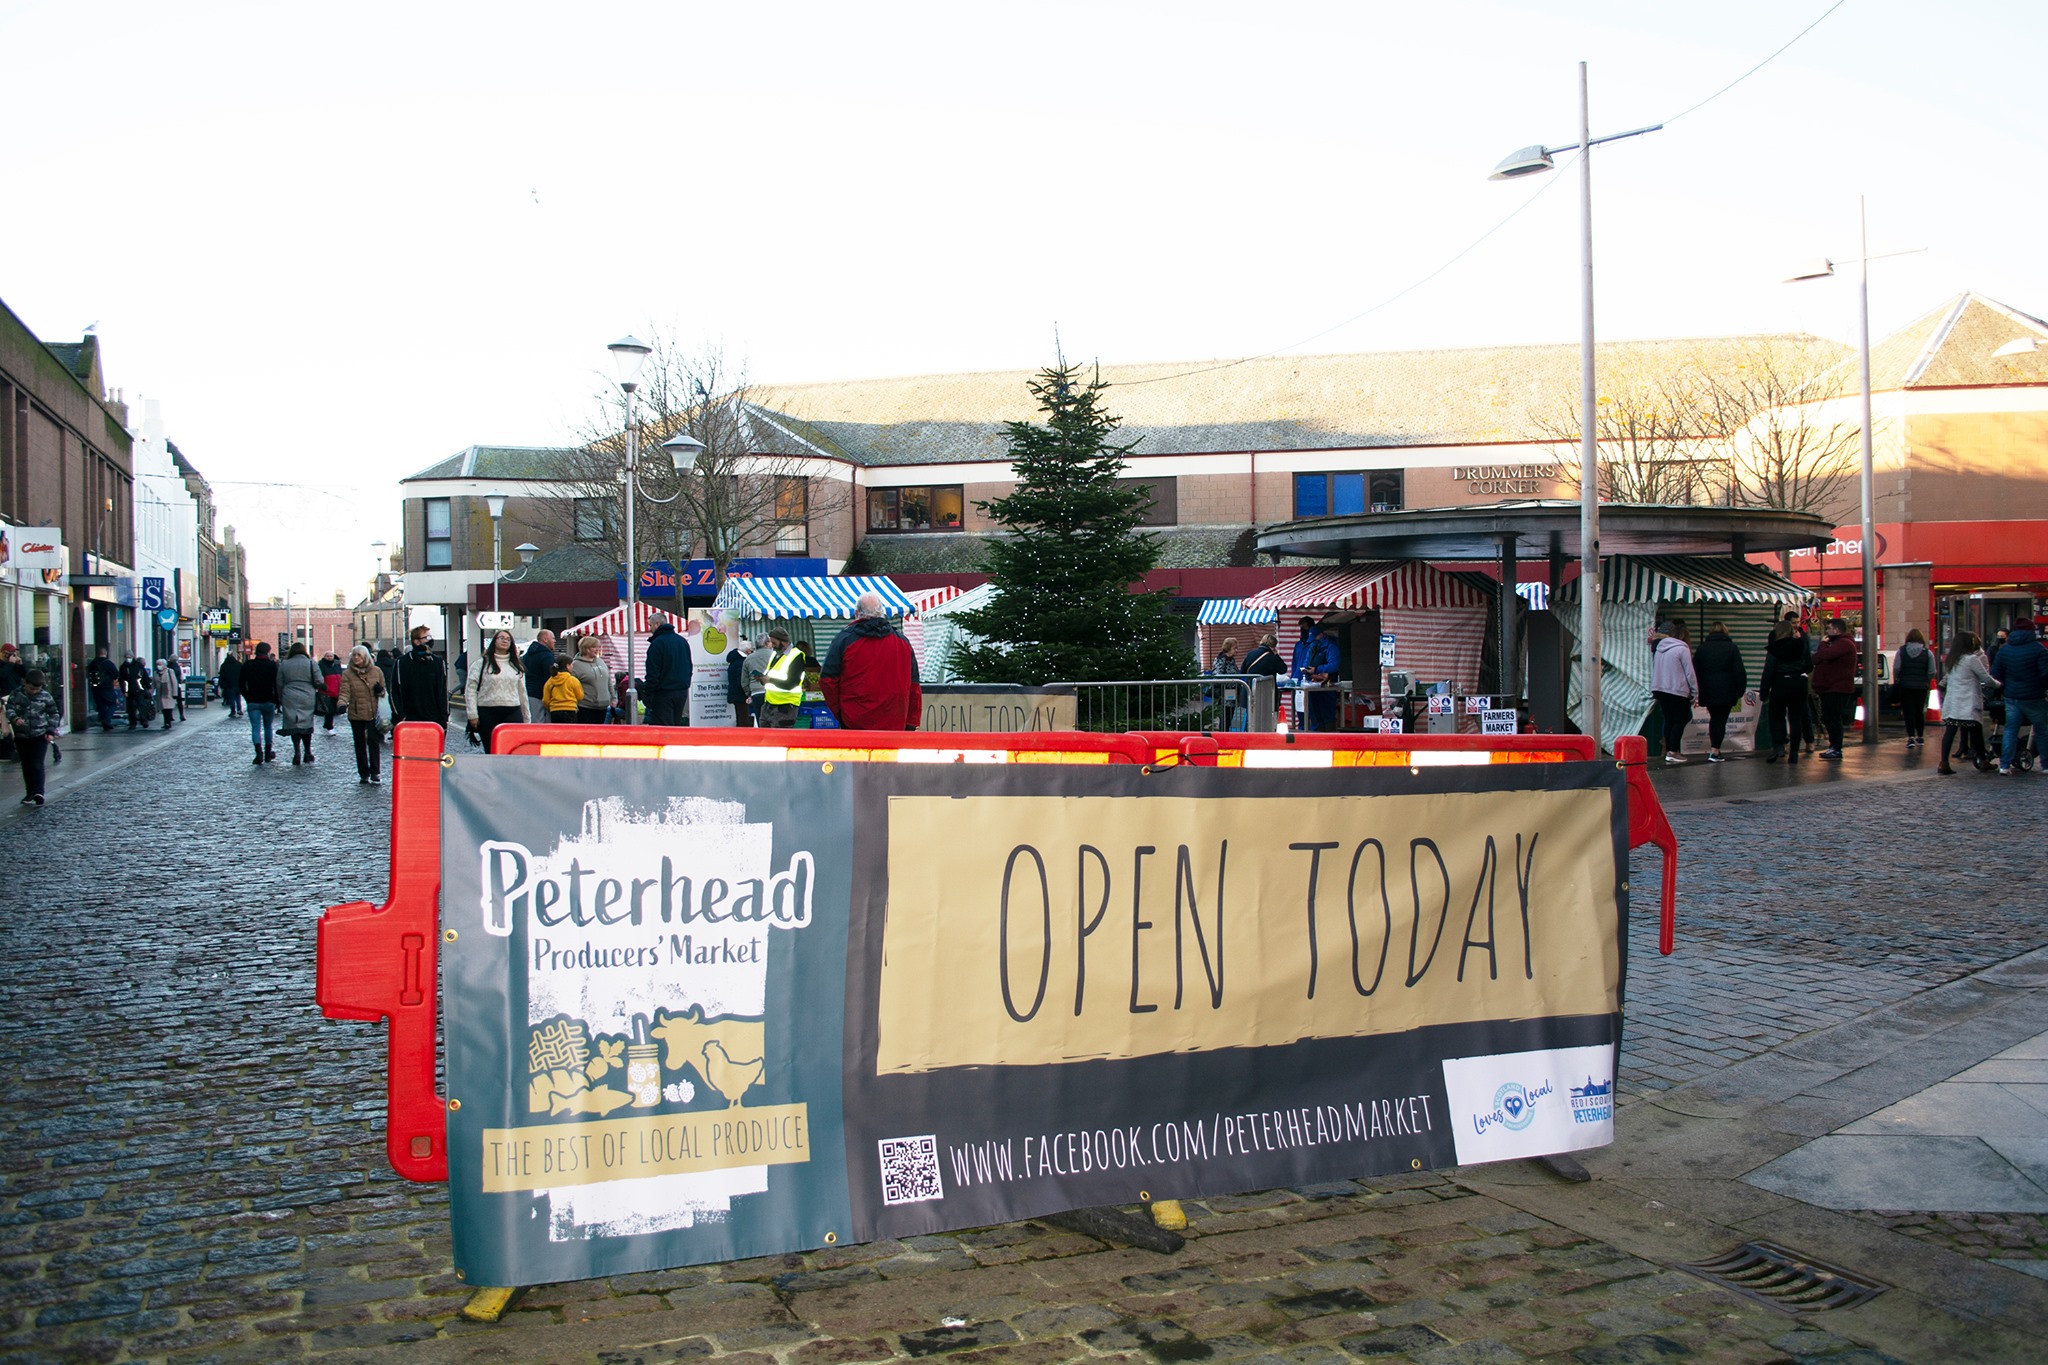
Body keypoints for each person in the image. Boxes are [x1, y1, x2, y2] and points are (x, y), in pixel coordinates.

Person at [821, 592, 922, 730]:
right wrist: (911, 722)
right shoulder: (902, 642)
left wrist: (840, 712)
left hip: (855, 721)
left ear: (857, 613)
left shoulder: (844, 640)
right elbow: (914, 685)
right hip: (895, 723)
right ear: (882, 612)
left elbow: (827, 681)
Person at [1991, 614, 2046, 775]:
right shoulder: (2039, 649)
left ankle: (2004, 765)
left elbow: (1995, 672)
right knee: (2042, 730)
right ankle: (2046, 764)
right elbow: (2045, 675)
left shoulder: (2005, 649)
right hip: (2034, 697)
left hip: (2012, 696)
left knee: (2010, 729)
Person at [1937, 631, 1996, 775]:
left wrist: (1941, 685)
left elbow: (1947, 677)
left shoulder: (1953, 659)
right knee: (1975, 731)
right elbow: (1986, 678)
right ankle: (1983, 761)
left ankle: (1943, 762)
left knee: (1950, 732)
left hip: (1953, 701)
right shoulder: (1972, 659)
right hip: (1968, 700)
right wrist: (1999, 685)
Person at [1691, 621, 1746, 763]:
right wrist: (1740, 690)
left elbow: (1695, 670)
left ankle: (1714, 749)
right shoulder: (1732, 648)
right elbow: (1739, 671)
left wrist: (1697, 689)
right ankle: (1715, 750)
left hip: (1708, 689)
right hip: (1726, 689)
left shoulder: (1702, 649)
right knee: (1720, 719)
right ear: (1725, 632)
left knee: (1714, 718)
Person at [1761, 615, 1812, 763]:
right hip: (1799, 683)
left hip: (1780, 683)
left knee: (1776, 716)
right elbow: (1809, 665)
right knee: (1796, 717)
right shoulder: (1801, 644)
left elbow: (1768, 670)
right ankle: (1794, 751)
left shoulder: (1775, 648)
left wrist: (1764, 691)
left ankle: (1778, 746)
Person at [466, 628, 527, 750]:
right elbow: (470, 689)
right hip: (487, 711)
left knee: (512, 749)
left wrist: (526, 717)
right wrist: (472, 714)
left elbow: (522, 693)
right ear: (494, 641)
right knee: (492, 748)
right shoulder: (481, 664)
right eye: (502, 638)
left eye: (508, 639)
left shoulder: (516, 666)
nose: (505, 641)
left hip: (512, 710)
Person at [6, 668, 60, 805]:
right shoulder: (16, 694)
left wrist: (50, 731)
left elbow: (54, 713)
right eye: (31, 689)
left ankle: (39, 792)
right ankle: (30, 792)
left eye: (37, 689)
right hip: (22, 736)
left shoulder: (45, 696)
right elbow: (10, 708)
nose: (34, 692)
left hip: (39, 735)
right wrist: (15, 719)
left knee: (37, 764)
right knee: (27, 765)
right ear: (25, 684)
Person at [1649, 620, 1699, 764]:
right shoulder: (1682, 649)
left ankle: (1669, 749)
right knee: (1681, 719)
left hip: (1660, 689)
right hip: (1677, 690)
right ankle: (1673, 751)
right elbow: (1689, 672)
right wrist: (1695, 691)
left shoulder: (1659, 649)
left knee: (1669, 720)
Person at [337, 645, 388, 784]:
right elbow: (344, 691)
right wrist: (341, 703)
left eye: (359, 655)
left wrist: (380, 691)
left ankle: (375, 772)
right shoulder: (348, 674)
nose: (356, 658)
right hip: (356, 713)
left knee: (373, 742)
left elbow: (384, 692)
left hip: (373, 713)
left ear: (365, 656)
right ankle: (363, 773)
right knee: (359, 744)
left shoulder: (376, 671)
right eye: (354, 655)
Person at [1810, 618, 1859, 759]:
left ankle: (1836, 747)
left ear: (1837, 630)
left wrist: (1823, 644)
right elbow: (1817, 659)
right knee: (1829, 718)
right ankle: (1833, 746)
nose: (1827, 631)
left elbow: (1825, 655)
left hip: (1837, 688)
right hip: (1828, 687)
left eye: (1829, 628)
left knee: (1833, 718)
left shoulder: (1844, 643)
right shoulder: (1835, 644)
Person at [390, 626, 451, 732]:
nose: (430, 640)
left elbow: (443, 692)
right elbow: (394, 691)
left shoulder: (438, 662)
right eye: (427, 637)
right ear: (417, 642)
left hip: (434, 721)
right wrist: (401, 716)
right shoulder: (402, 663)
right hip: (410, 721)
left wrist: (443, 718)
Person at [1290, 618, 1340, 732]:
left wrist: (1317, 669)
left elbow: (1334, 665)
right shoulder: (1312, 646)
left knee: (1327, 713)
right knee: (1314, 713)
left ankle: (1329, 735)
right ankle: (1317, 734)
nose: (1314, 641)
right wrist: (1306, 670)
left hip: (1327, 686)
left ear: (1321, 635)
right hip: (1312, 685)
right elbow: (1305, 662)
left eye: (1316, 638)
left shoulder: (1331, 647)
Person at [277, 642, 322, 767]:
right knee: (306, 723)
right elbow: (319, 680)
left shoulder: (284, 663)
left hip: (289, 695)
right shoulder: (310, 663)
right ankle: (307, 752)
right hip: (307, 695)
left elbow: (279, 682)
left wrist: (281, 698)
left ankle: (297, 750)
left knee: (293, 723)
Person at [641, 619, 692, 726]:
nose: (649, 629)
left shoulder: (657, 643)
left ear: (657, 624)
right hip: (681, 690)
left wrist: (649, 692)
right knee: (676, 724)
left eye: (650, 625)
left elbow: (652, 671)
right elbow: (689, 665)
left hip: (663, 692)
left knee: (664, 726)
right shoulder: (682, 641)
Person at [1892, 628, 1935, 749]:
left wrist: (1897, 679)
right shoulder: (1928, 653)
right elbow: (1932, 670)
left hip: (1905, 685)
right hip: (1921, 686)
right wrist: (1926, 679)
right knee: (1919, 711)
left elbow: (1896, 667)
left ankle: (1910, 737)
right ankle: (1920, 736)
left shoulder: (1901, 651)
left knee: (1908, 712)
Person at [758, 628, 808, 728]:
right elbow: (771, 674)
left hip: (785, 706)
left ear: (783, 641)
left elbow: (792, 683)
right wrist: (763, 679)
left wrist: (770, 680)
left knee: (780, 739)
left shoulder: (797, 656)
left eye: (774, 642)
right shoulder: (775, 655)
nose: (772, 645)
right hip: (769, 704)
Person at [241, 641, 281, 763]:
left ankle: (258, 753)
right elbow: (277, 684)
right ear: (268, 652)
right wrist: (276, 700)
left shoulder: (248, 665)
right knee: (268, 727)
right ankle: (268, 753)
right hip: (268, 700)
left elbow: (241, 683)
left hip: (253, 701)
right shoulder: (272, 666)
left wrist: (247, 697)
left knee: (255, 728)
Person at [568, 636, 615, 725]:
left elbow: (608, 681)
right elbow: (571, 687)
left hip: (603, 707)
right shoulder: (576, 665)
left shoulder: (600, 661)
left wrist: (613, 698)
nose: (597, 649)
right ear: (586, 648)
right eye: (594, 647)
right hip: (586, 707)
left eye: (597, 647)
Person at [522, 629, 557, 723]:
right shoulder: (547, 656)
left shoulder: (527, 655)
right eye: (553, 638)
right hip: (541, 695)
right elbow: (551, 677)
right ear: (545, 639)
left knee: (533, 721)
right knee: (541, 724)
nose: (555, 641)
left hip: (528, 694)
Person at [86, 646, 119, 731]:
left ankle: (105, 723)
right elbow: (116, 674)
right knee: (113, 703)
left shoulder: (92, 663)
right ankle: (106, 720)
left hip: (95, 688)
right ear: (105, 654)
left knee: (101, 706)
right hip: (106, 687)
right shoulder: (108, 663)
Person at [543, 655, 583, 724]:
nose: (572, 667)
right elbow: (580, 696)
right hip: (570, 710)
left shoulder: (550, 682)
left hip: (555, 711)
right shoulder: (572, 680)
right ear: (567, 666)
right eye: (571, 665)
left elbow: (545, 700)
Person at [725, 637, 755, 727]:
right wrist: (747, 693)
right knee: (744, 719)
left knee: (740, 718)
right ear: (748, 651)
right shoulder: (742, 662)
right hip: (741, 694)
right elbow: (742, 680)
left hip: (735, 693)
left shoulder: (734, 660)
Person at [743, 635, 774, 723]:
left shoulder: (748, 658)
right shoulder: (775, 656)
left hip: (756, 692)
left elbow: (744, 680)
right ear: (767, 643)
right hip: (773, 692)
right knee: (774, 720)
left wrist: (749, 693)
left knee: (761, 720)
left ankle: (763, 735)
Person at [121, 652, 152, 730]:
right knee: (131, 708)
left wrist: (148, 687)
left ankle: (144, 721)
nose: (128, 658)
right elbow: (122, 680)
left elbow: (144, 676)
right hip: (129, 690)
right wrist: (124, 691)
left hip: (139, 689)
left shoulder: (138, 665)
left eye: (129, 657)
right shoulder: (123, 667)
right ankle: (132, 723)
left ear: (133, 657)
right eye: (126, 657)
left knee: (141, 706)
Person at [318, 651, 344, 731]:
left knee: (333, 710)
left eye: (331, 656)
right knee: (330, 710)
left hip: (336, 691)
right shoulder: (321, 665)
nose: (329, 657)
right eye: (327, 656)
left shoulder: (337, 665)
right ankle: (329, 726)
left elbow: (341, 675)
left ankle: (327, 725)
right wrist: (324, 687)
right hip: (327, 691)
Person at [153, 658, 179, 731]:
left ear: (164, 665)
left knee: (168, 708)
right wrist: (152, 692)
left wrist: (175, 693)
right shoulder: (155, 673)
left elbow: (174, 683)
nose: (158, 666)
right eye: (157, 664)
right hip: (160, 693)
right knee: (163, 709)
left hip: (168, 693)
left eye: (160, 664)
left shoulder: (169, 671)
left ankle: (168, 722)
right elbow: (154, 684)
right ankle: (166, 722)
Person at [218, 648, 244, 718]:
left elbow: (222, 676)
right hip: (238, 684)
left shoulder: (224, 665)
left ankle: (233, 711)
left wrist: (221, 685)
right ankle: (239, 709)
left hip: (229, 685)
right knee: (238, 697)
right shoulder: (239, 664)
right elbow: (243, 675)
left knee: (231, 698)